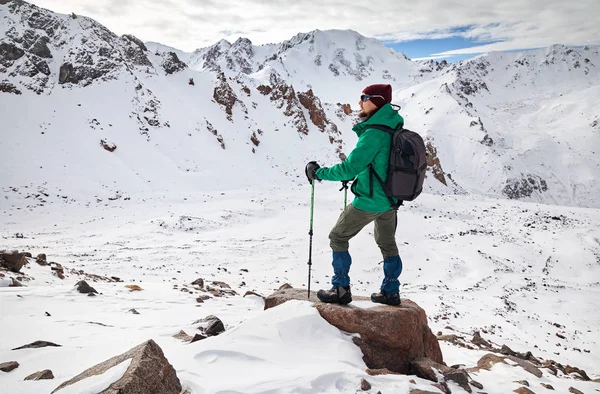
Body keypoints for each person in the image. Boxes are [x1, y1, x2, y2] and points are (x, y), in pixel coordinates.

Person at [305, 84, 404, 306]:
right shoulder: (393, 126)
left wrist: (318, 173)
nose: (360, 102)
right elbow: (379, 163)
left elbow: (350, 167)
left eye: (364, 97)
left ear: (376, 101)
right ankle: (390, 292)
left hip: (370, 200)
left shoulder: (374, 133)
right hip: (390, 199)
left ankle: (340, 288)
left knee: (337, 237)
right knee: (388, 243)